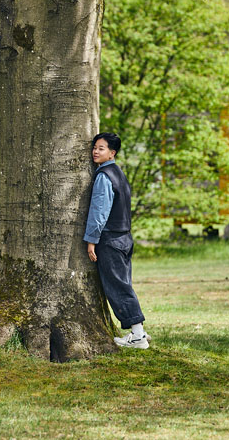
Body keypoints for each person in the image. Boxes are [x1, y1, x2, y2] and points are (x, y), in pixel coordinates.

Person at [84, 132, 150, 349]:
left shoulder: (104, 176)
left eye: (101, 148)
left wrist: (92, 240)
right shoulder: (118, 173)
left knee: (118, 287)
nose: (95, 151)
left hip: (111, 239)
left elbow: (99, 211)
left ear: (112, 153)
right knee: (123, 284)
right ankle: (138, 331)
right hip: (124, 238)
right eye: (95, 147)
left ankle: (138, 335)